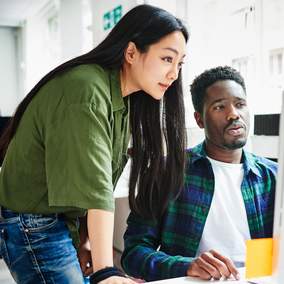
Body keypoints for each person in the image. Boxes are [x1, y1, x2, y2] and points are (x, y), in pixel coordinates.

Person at [0, 4, 188, 284]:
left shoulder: (122, 100)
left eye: (180, 63)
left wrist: (84, 240)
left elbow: (88, 181)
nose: (174, 73)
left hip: (59, 222)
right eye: (167, 59)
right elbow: (97, 186)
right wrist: (106, 271)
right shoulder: (86, 90)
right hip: (33, 224)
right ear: (132, 52)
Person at [121, 66, 277, 282]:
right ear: (199, 119)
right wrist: (186, 266)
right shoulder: (167, 172)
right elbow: (134, 253)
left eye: (240, 104)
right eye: (219, 107)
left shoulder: (274, 177)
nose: (234, 114)